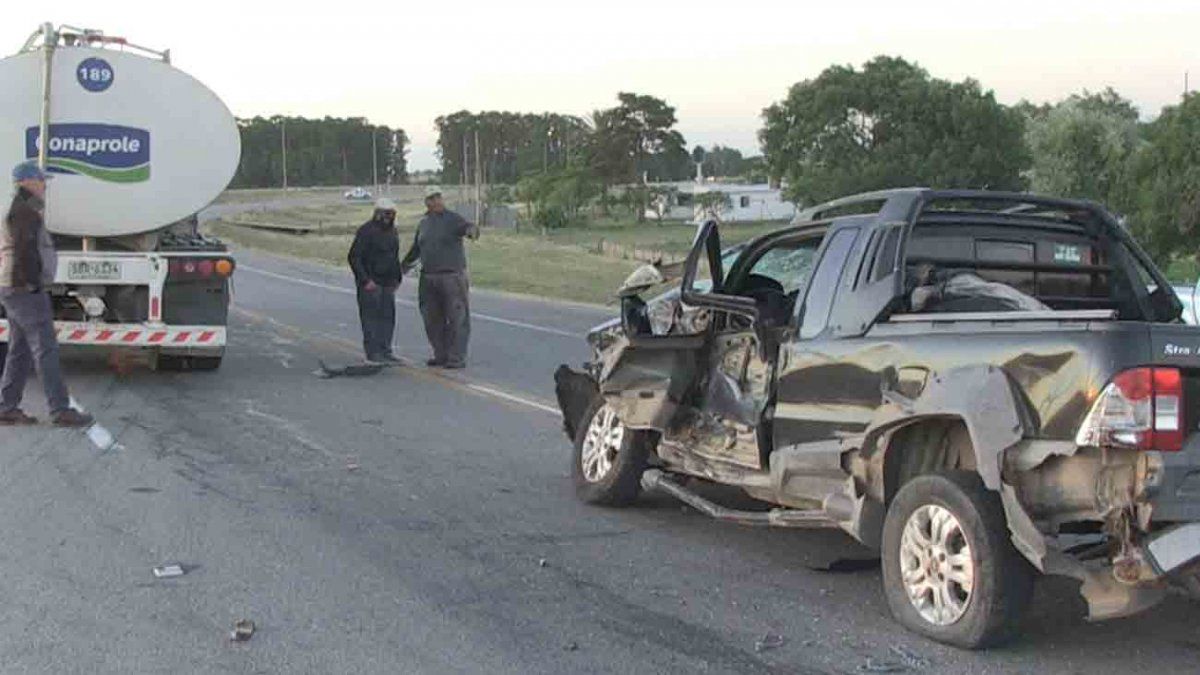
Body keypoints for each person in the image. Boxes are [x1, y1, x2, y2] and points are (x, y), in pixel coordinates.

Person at [0, 161, 93, 427]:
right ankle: (60, 409)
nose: (44, 186)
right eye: (41, 180)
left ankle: (7, 407)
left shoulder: (23, 208)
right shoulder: (23, 211)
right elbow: (23, 253)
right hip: (24, 290)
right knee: (46, 348)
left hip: (15, 288)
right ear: (27, 181)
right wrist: (31, 284)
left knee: (20, 351)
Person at [402, 187, 479, 369]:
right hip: (428, 277)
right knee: (431, 319)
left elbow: (468, 227)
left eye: (438, 197)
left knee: (456, 318)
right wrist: (403, 267)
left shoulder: (452, 219)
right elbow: (416, 248)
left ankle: (456, 357)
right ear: (426, 202)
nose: (436, 201)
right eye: (431, 198)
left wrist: (472, 231)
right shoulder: (424, 223)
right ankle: (441, 354)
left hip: (452, 277)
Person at [347, 198, 402, 364]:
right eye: (386, 214)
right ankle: (372, 352)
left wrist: (397, 278)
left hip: (387, 283)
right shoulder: (366, 231)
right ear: (377, 213)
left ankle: (386, 350)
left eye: (392, 214)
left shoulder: (393, 232)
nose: (389, 217)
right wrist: (365, 280)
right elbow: (354, 257)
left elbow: (394, 257)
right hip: (371, 283)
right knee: (371, 319)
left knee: (387, 318)